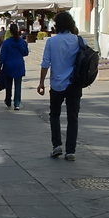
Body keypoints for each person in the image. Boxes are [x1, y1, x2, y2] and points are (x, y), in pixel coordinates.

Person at [36, 10, 83, 160]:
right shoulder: (79, 41)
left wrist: (41, 82)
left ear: (57, 25)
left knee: (54, 115)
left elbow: (45, 63)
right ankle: (70, 151)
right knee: (73, 117)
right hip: (75, 84)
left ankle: (57, 145)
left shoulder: (51, 41)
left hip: (57, 84)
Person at [0, 23, 29, 110]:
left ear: (10, 31)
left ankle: (8, 100)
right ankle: (17, 103)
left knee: (8, 84)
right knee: (18, 85)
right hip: (19, 65)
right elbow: (26, 53)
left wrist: (0, 65)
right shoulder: (22, 42)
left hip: (8, 65)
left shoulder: (7, 43)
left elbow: (2, 56)